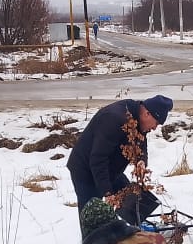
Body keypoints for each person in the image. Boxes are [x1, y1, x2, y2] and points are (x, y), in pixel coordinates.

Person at [67, 95, 173, 229]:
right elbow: (98, 159)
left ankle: (134, 232)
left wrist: (141, 161)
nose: (155, 128)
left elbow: (141, 140)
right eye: (156, 123)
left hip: (110, 168)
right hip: (85, 169)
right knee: (92, 216)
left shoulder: (136, 117)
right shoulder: (114, 119)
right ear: (147, 113)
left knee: (134, 201)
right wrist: (107, 192)